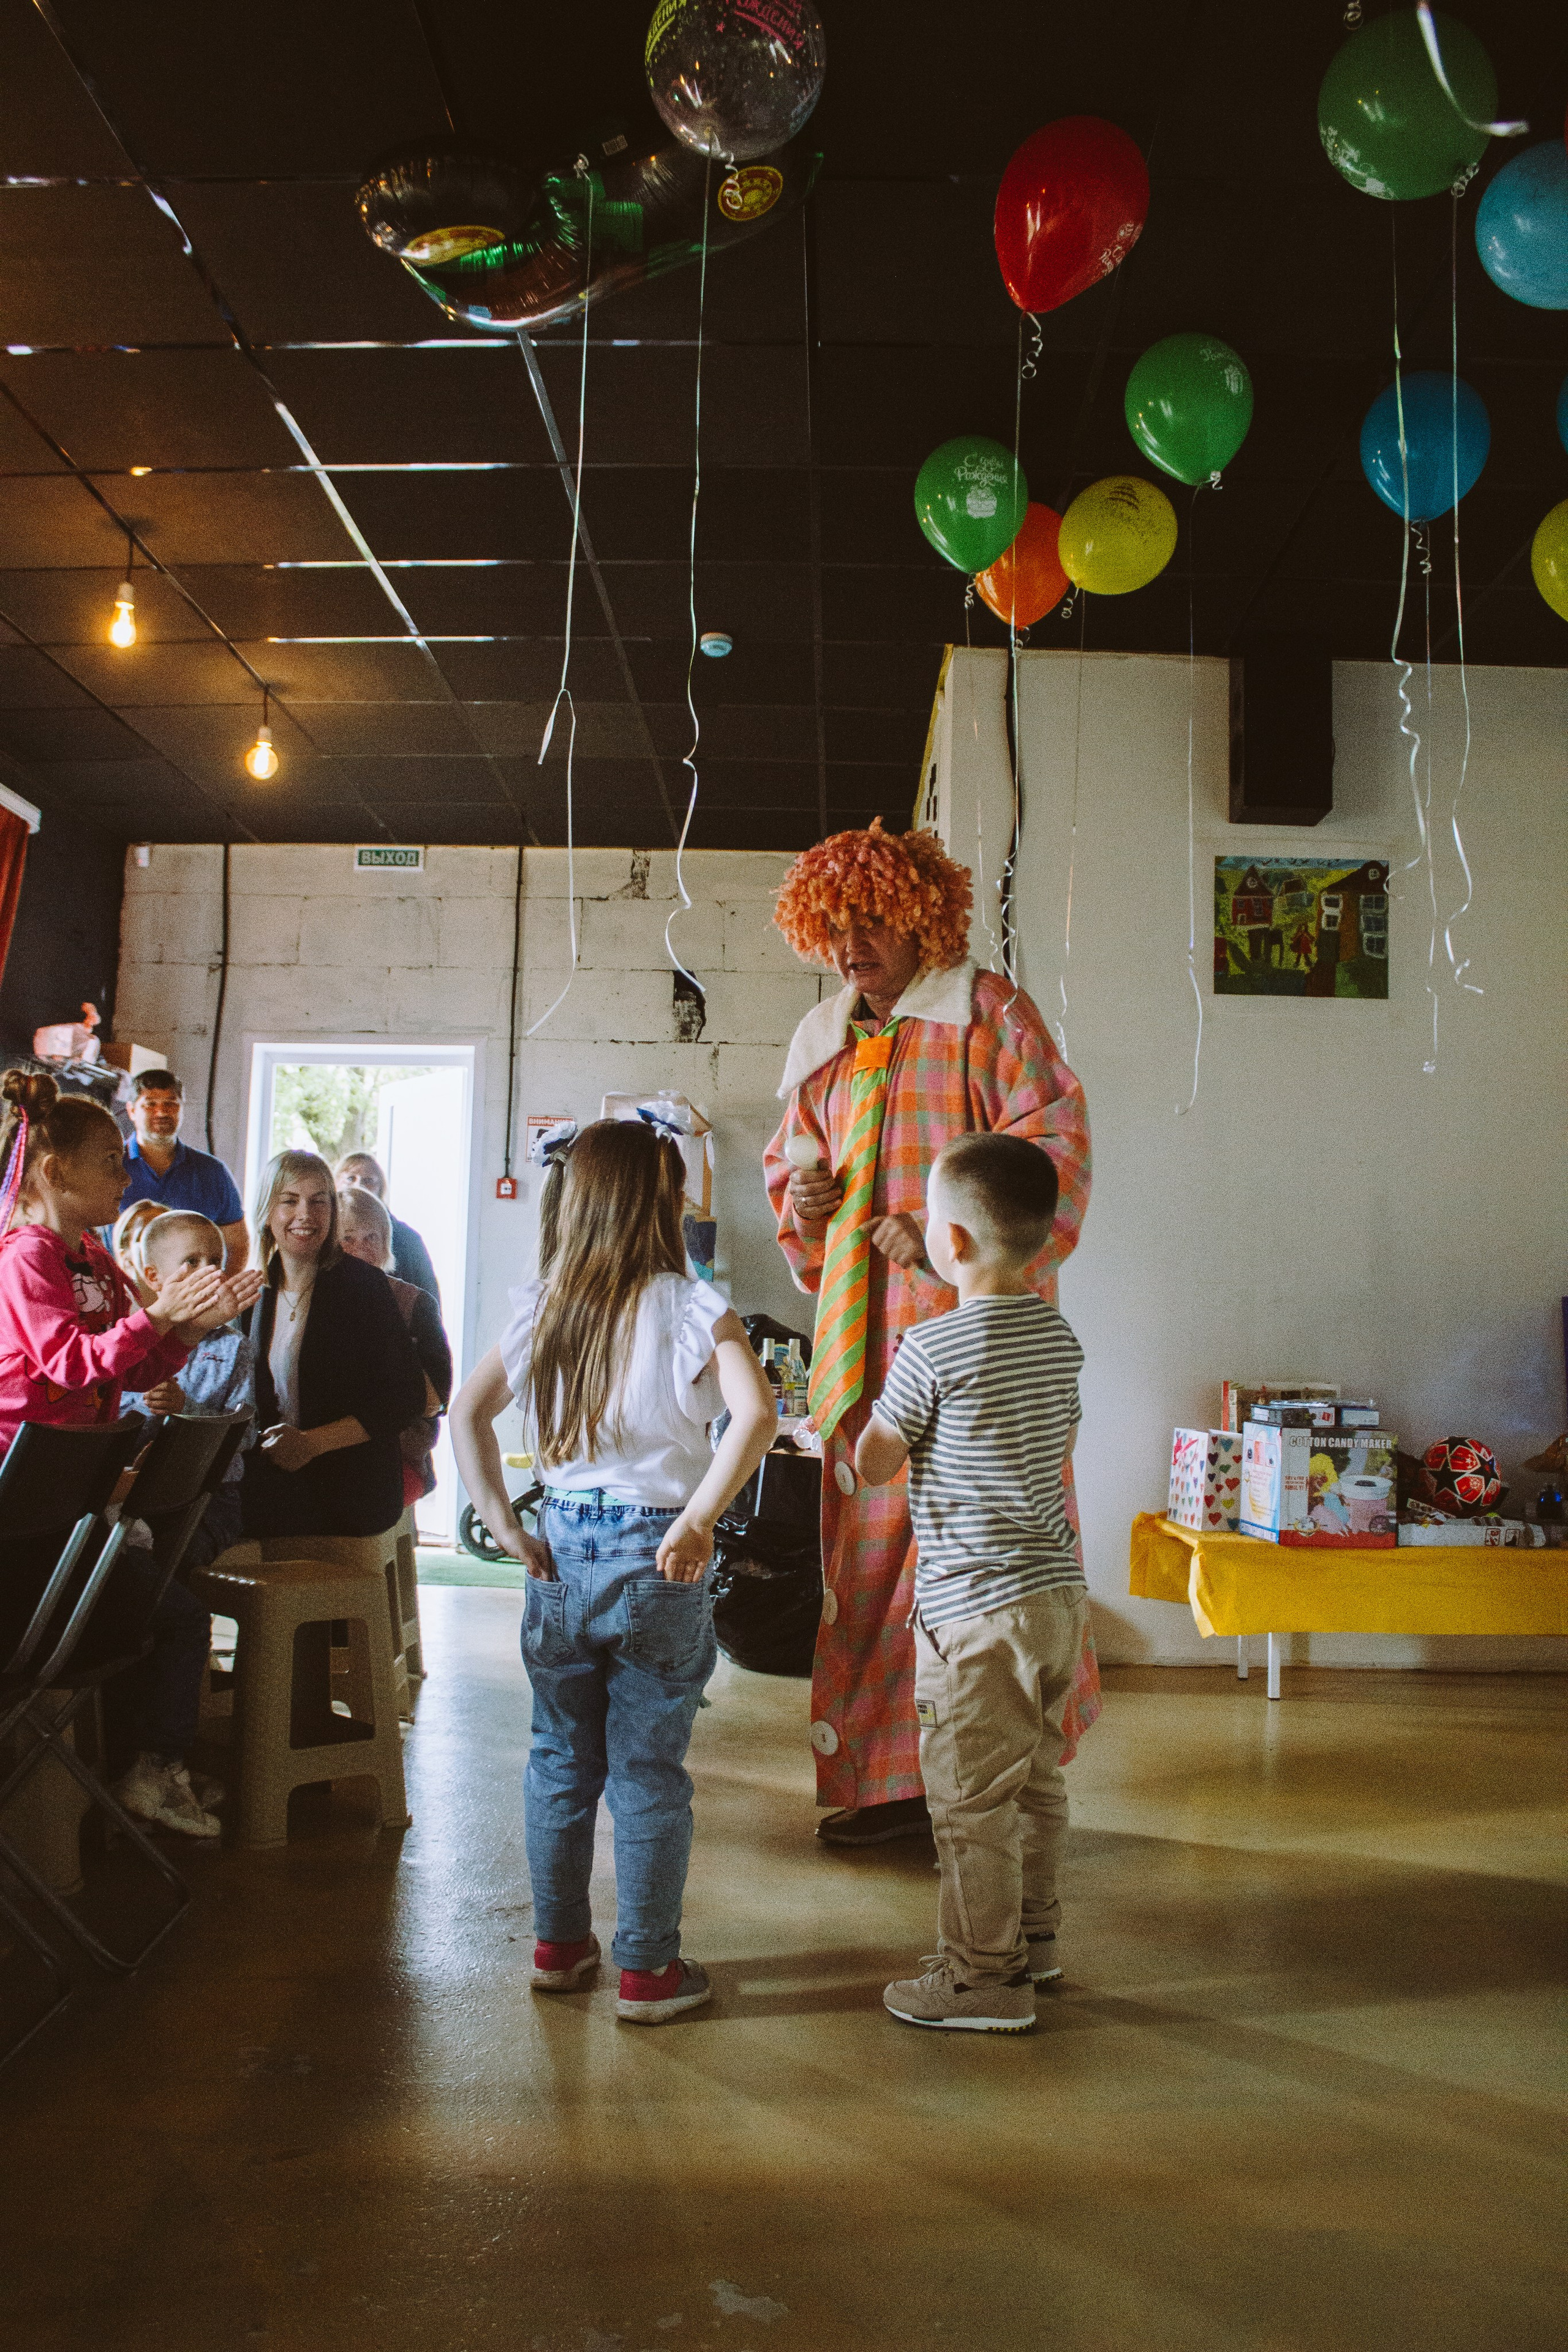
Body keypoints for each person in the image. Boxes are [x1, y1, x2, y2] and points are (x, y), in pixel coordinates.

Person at [763, 819, 1095, 1847]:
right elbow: (791, 1173)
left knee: (973, 1557)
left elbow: (1054, 1158)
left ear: (924, 919)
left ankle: (977, 1787)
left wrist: (959, 1250)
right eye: (837, 929)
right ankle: (884, 1787)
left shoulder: (990, 1014)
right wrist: (807, 1197)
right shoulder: (822, 1040)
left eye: (872, 924)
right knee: (864, 1560)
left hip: (971, 1341)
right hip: (863, 1344)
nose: (852, 948)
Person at [450, 1119, 776, 2026]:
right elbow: (755, 1418)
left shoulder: (542, 1303)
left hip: (559, 1547)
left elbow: (466, 1416)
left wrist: (503, 1525)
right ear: (661, 1204)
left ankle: (559, 1949)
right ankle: (647, 1973)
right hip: (655, 1557)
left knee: (558, 1757)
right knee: (647, 1771)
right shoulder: (690, 1304)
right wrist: (700, 1520)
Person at [856, 1134, 1088, 2033]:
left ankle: (981, 1979)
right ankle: (1033, 1938)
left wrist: (852, 1433)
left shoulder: (930, 1347)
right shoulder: (1058, 1337)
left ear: (947, 1242)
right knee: (1035, 1779)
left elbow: (878, 1464)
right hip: (1055, 1596)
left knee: (967, 1801)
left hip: (973, 1609)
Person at [0, 1069, 262, 1838]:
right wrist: (162, 1318)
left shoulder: (93, 1257)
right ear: (55, 1172)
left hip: (68, 1509)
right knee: (166, 1611)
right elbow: (71, 1364)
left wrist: (182, 1328)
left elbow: (132, 1367)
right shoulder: (27, 1256)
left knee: (169, 1612)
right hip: (21, 1510)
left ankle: (138, 1773)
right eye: (112, 1160)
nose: (128, 1172)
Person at [240, 1152, 425, 1539]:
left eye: (319, 1201)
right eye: (289, 1200)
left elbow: (405, 1397)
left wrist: (311, 1444)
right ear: (267, 1210)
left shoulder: (365, 1288)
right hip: (270, 1483)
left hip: (351, 1484)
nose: (305, 1214)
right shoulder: (252, 1293)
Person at [123, 1211, 255, 1572]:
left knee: (171, 1557)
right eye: (192, 1262)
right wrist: (143, 1400)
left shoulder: (233, 1346)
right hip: (135, 1492)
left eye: (216, 1262)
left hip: (208, 1496)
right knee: (121, 1558)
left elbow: (246, 1432)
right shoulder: (133, 1341)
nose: (209, 1271)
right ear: (154, 1278)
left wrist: (187, 1408)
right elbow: (108, 1415)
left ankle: (182, 1625)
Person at [337, 1183, 452, 1507]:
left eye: (370, 1238)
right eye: (347, 1238)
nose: (360, 1249)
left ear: (387, 1242)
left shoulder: (415, 1304)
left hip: (398, 1450)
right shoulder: (314, 1302)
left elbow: (435, 1402)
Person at [118, 1069, 248, 1272]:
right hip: (122, 1298)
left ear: (181, 1108)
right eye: (150, 1104)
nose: (161, 1112)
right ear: (132, 1110)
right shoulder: (110, 1167)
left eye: (171, 1103)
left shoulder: (213, 1173)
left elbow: (236, 1246)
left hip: (196, 1300)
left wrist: (218, 1295)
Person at [334, 1152, 439, 1303]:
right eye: (351, 1178)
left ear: (381, 1188)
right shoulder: (322, 1231)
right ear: (335, 1184)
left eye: (368, 1180)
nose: (359, 1185)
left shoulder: (407, 1239)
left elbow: (428, 1297)